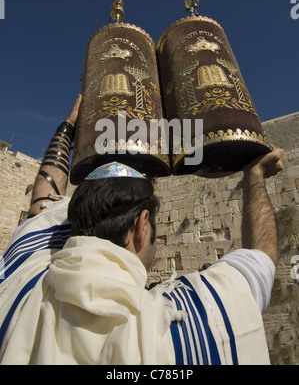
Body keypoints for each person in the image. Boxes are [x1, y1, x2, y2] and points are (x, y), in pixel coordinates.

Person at [0, 95, 284, 365]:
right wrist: (255, 176)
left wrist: (67, 129)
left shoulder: (21, 281)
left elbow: (42, 203)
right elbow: (263, 259)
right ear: (141, 224)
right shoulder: (181, 323)